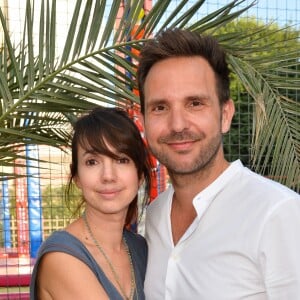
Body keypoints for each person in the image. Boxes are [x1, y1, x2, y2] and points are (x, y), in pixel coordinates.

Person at [137, 28, 300, 299]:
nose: (177, 125)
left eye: (195, 103)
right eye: (160, 107)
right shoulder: (153, 217)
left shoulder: (278, 214)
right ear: (144, 122)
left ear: (225, 115)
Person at [30, 107, 152, 300]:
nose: (108, 176)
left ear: (140, 175)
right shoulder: (63, 256)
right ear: (77, 176)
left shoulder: (140, 248)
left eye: (121, 160)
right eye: (92, 162)